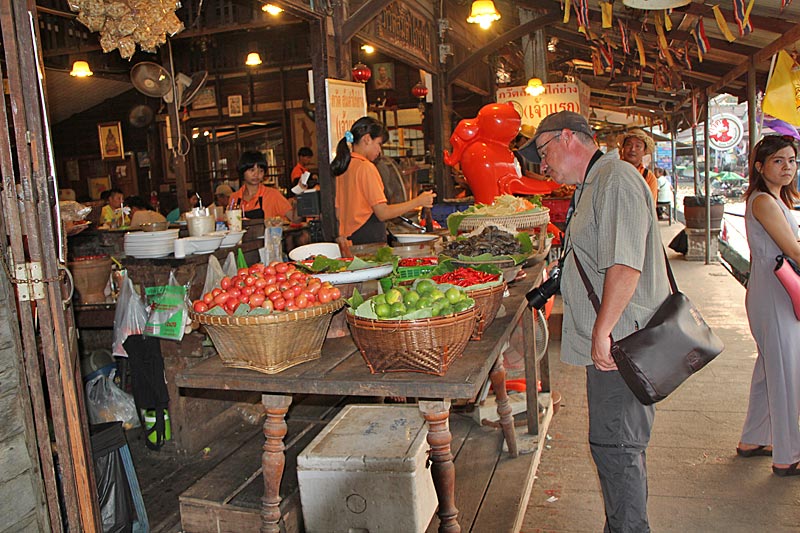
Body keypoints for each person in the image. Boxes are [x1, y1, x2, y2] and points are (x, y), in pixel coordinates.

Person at [519, 111, 670, 531]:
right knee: (614, 448)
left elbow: (624, 264)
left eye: (544, 152)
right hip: (613, 342)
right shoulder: (592, 183)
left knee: (617, 448)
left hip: (622, 344)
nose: (543, 165)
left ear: (570, 137)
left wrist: (603, 332)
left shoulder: (616, 179)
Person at [736, 135, 800, 477]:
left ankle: (754, 438)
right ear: (760, 167)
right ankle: (788, 455)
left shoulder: (776, 199)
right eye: (779, 161)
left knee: (769, 367)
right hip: (774, 292)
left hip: (774, 289)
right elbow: (793, 250)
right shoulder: (763, 201)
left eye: (791, 160)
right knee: (786, 372)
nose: (787, 166)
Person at [331, 116, 435, 252]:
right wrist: (418, 201)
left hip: (350, 240)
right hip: (368, 242)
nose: (379, 151)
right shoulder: (366, 167)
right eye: (379, 144)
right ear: (367, 139)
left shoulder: (344, 166)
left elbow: (338, 212)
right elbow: (383, 213)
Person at [228, 151, 297, 221]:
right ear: (242, 171)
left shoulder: (273, 195)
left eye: (261, 171)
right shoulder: (234, 198)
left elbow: (295, 219)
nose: (256, 174)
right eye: (252, 170)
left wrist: (300, 195)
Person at [620, 128, 658, 203]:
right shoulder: (613, 171)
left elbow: (650, 207)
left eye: (638, 146)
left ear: (644, 151)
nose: (633, 149)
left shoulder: (649, 177)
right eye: (628, 144)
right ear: (623, 148)